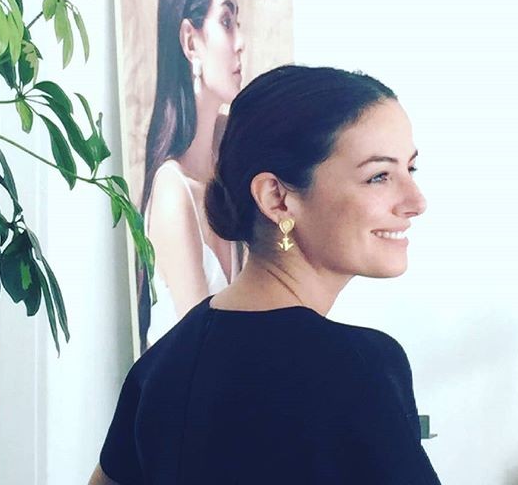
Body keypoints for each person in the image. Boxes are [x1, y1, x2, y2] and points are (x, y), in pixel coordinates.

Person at [90, 65, 442, 484]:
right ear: (277, 198)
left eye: (410, 170)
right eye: (378, 176)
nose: (415, 201)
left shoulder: (163, 365)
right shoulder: (361, 368)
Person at [138, 0, 246, 349]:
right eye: (226, 21)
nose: (240, 42)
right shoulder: (173, 191)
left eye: (237, 22)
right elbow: (204, 359)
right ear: (190, 41)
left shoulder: (229, 162)